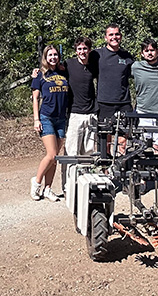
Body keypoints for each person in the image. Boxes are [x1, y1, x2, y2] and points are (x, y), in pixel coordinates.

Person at [30, 45, 69, 201]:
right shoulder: (40, 75)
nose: (53, 57)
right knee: (51, 154)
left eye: (55, 55)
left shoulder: (64, 72)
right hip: (46, 117)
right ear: (45, 57)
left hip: (61, 118)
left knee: (55, 157)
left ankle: (48, 189)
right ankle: (37, 182)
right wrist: (36, 119)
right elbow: (35, 98)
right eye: (50, 55)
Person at [61, 36, 98, 197]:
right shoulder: (68, 65)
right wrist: (37, 73)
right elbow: (51, 69)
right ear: (76, 50)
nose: (82, 52)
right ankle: (68, 186)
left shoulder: (93, 66)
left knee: (88, 151)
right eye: (79, 49)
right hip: (75, 113)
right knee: (71, 151)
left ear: (89, 50)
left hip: (91, 113)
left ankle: (84, 184)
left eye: (85, 49)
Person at [93, 23, 134, 153]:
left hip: (124, 103)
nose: (114, 37)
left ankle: (121, 167)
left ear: (121, 36)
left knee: (123, 140)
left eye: (117, 34)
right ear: (106, 37)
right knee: (105, 139)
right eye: (111, 34)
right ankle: (105, 170)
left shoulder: (127, 56)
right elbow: (80, 64)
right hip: (104, 103)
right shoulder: (97, 55)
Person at [131, 38, 158, 149]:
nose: (150, 53)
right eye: (146, 50)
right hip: (143, 113)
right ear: (142, 53)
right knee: (141, 149)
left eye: (152, 50)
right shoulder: (136, 67)